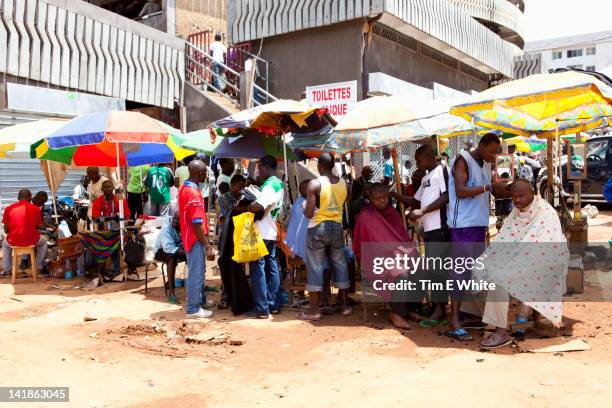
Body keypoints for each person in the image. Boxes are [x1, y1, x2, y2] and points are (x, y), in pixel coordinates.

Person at [466, 179, 569, 349]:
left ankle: (501, 332)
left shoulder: (546, 213)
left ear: (532, 193)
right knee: (479, 265)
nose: (517, 200)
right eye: (514, 197)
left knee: (498, 280)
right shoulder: (516, 212)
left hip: (544, 263)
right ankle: (475, 315)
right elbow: (505, 238)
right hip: (518, 258)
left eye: (521, 196)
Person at [445, 133, 510, 341]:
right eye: (491, 151)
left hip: (478, 224)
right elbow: (461, 191)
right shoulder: (463, 159)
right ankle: (454, 320)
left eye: (496, 152)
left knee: (475, 272)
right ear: (481, 146)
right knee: (460, 273)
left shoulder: (485, 164)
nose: (494, 156)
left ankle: (467, 313)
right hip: (463, 224)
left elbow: (489, 191)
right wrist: (489, 186)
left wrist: (505, 189)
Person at [396, 144, 451, 327]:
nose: (417, 164)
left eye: (419, 161)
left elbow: (446, 197)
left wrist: (423, 211)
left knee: (439, 271)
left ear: (428, 158)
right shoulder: (427, 177)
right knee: (435, 270)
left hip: (440, 229)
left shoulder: (442, 170)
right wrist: (396, 196)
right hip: (429, 230)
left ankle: (440, 310)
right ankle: (437, 306)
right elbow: (415, 200)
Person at [353, 183, 422, 329]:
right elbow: (364, 247)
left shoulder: (392, 213)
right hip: (377, 258)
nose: (383, 201)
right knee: (401, 273)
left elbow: (402, 238)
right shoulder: (365, 217)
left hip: (396, 253)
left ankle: (409, 308)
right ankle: (396, 313)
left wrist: (403, 253)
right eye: (378, 198)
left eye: (385, 197)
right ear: (370, 199)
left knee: (418, 265)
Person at [297, 153, 352, 321]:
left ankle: (314, 310)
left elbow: (308, 214)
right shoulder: (345, 184)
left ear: (320, 166)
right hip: (336, 227)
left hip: (317, 228)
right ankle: (344, 306)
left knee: (315, 267)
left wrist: (304, 206)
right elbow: (342, 204)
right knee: (340, 265)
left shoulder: (314, 184)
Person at [241, 155, 284, 319]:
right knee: (271, 267)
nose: (258, 171)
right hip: (270, 230)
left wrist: (246, 206)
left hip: (261, 232)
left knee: (257, 269)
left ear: (265, 167)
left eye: (259, 168)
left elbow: (259, 206)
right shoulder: (278, 184)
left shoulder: (270, 185)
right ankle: (273, 304)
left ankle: (261, 308)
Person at [178, 159, 216, 319]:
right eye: (205, 173)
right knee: (196, 273)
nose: (206, 175)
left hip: (189, 237)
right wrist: (207, 245)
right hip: (194, 239)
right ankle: (193, 309)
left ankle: (200, 300)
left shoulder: (185, 188)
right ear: (200, 174)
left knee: (198, 271)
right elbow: (197, 224)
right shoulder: (193, 193)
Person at [2, 189, 48, 275]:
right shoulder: (36, 209)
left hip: (14, 240)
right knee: (44, 242)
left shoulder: (9, 208)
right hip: (32, 240)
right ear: (30, 198)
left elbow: (5, 229)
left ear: (18, 198)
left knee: (5, 244)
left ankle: (7, 270)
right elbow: (39, 226)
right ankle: (38, 267)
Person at [91, 180, 130, 279]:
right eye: (105, 187)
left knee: (115, 244)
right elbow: (95, 217)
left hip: (117, 230)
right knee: (94, 243)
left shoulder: (120, 200)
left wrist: (118, 220)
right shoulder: (98, 201)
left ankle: (116, 270)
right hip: (103, 231)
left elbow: (127, 216)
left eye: (109, 187)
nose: (107, 188)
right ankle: (99, 270)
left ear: (113, 188)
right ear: (102, 189)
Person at [154, 213, 186, 304]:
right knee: (171, 258)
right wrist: (186, 253)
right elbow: (168, 248)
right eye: (175, 220)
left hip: (176, 248)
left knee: (195, 254)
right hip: (161, 250)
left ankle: (198, 286)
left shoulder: (183, 225)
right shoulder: (166, 228)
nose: (175, 222)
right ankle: (171, 293)